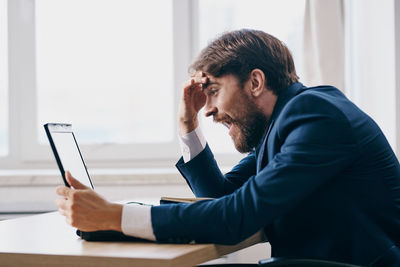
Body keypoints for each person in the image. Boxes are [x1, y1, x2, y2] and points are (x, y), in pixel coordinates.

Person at [56, 29, 400, 266]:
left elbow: (236, 216)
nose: (208, 108)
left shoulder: (315, 117)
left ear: (255, 81)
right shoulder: (284, 124)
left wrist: (113, 216)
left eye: (215, 91)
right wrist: (188, 127)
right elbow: (221, 198)